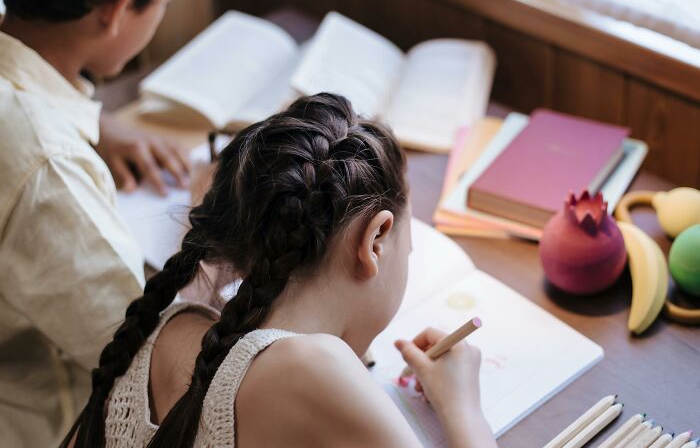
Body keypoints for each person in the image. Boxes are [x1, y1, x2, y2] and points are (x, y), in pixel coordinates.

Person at [65, 93, 497, 448]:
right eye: (409, 248)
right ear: (375, 240)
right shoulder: (317, 369)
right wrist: (463, 408)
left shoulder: (164, 327)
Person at [0, 0, 193, 446]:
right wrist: (212, 230)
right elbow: (148, 362)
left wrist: (94, 123)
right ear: (120, 7)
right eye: (165, 4)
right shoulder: (50, 167)